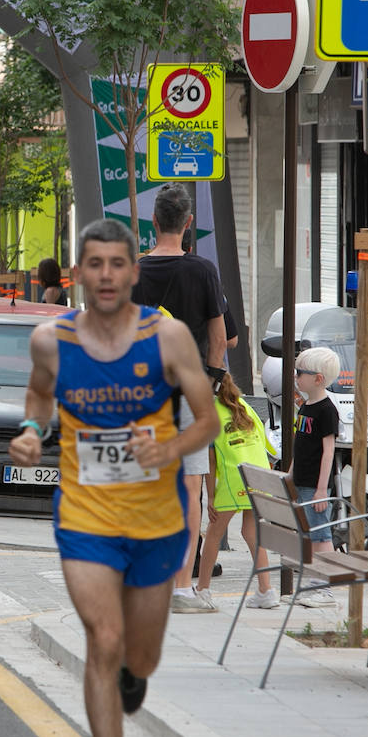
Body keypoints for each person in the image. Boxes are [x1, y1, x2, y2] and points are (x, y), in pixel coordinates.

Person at [8, 218, 218, 737]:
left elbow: (207, 420)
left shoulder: (168, 338)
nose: (105, 275)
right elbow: (40, 398)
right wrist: (29, 430)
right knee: (103, 638)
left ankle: (135, 672)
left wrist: (168, 449)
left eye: (115, 265)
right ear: (77, 274)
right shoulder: (51, 340)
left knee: (140, 657)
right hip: (86, 516)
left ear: (133, 272)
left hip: (156, 522)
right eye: (93, 264)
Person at [130, 183, 227, 614]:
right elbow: (219, 340)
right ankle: (183, 587)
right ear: (189, 224)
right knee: (190, 489)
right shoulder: (203, 271)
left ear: (154, 222)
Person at [196, 372, 279, 609]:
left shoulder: (210, 413)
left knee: (213, 533)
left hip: (235, 479)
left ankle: (202, 591)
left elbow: (210, 462)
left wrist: (210, 496)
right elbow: (267, 446)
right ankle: (266, 590)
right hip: (259, 476)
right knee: (251, 531)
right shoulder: (245, 406)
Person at [286, 346, 342, 607]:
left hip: (315, 484)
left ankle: (326, 588)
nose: (296, 377)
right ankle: (317, 582)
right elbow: (300, 443)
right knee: (313, 533)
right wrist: (291, 471)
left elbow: (328, 451)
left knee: (321, 535)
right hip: (302, 480)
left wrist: (322, 489)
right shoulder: (305, 406)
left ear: (317, 378)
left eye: (300, 373)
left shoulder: (326, 410)